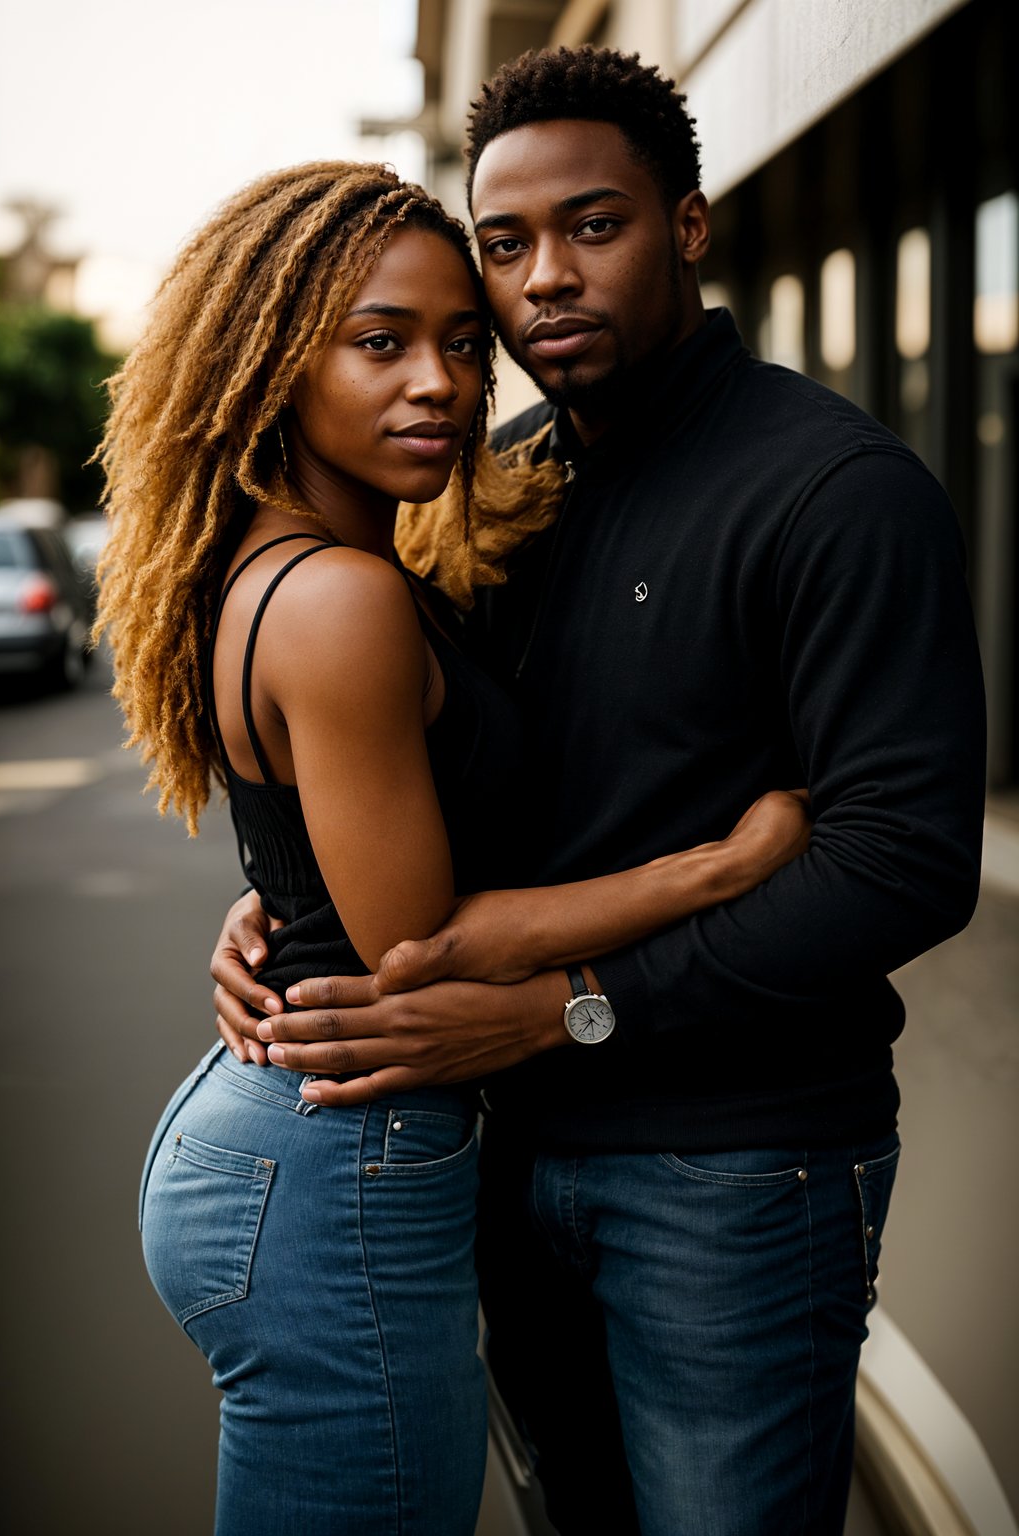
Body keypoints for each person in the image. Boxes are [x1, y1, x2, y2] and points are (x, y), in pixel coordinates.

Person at [211, 48, 987, 1536]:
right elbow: (430, 771)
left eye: (595, 226)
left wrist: (575, 1001)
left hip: (740, 1171)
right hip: (509, 1159)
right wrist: (284, 902)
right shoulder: (492, 487)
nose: (543, 277)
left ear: (687, 228)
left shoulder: (839, 493)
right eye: (506, 245)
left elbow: (902, 864)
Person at [97, 159, 811, 1536]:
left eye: (462, 344)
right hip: (338, 1163)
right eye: (381, 342)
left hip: (288, 1139)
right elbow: (418, 951)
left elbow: (331, 866)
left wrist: (269, 910)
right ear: (270, 364)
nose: (439, 380)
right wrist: (714, 869)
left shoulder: (295, 566)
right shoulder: (340, 598)